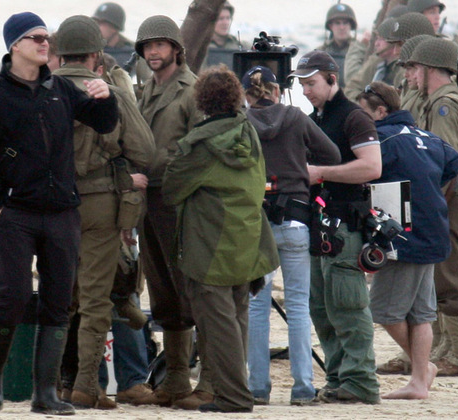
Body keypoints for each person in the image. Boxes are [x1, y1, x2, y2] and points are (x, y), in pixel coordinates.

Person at [0, 11, 118, 415]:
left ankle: (45, 393)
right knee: (13, 295)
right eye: (35, 37)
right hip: (16, 211)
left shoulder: (61, 89)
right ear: (15, 45)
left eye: (46, 37)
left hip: (63, 211)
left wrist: (108, 95)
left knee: (58, 301)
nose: (44, 43)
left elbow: (104, 123)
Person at [162, 64, 279, 413]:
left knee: (219, 325)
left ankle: (234, 397)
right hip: (247, 239)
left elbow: (171, 189)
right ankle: (236, 392)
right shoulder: (248, 131)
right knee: (237, 319)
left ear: (201, 100)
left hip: (210, 245)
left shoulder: (200, 144)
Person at [51, 15, 154, 409]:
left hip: (52, 204)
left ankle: (56, 383)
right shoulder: (109, 92)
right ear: (97, 54)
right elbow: (144, 150)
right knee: (96, 299)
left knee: (60, 296)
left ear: (59, 53)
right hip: (99, 204)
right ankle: (85, 386)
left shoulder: (42, 91)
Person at [356, 81, 458, 399]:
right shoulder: (427, 137)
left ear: (380, 111)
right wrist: (427, 185)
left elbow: (365, 170)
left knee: (383, 311)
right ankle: (418, 380)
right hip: (433, 230)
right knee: (420, 314)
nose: (361, 122)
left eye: (364, 114)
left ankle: (423, 369)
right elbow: (455, 162)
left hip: (403, 235)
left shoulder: (382, 139)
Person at [243, 66, 340, 406]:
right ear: (276, 91)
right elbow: (332, 155)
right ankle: (302, 388)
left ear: (247, 96)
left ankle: (258, 387)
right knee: (298, 306)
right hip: (297, 219)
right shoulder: (296, 117)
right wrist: (301, 162)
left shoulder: (242, 122)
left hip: (257, 224)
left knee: (257, 307)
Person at [289, 50, 382, 405]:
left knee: (348, 306)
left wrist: (321, 173)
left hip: (345, 225)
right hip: (317, 224)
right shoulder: (314, 118)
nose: (306, 91)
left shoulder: (354, 117)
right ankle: (339, 378)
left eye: (311, 83)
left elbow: (372, 167)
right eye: (301, 84)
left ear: (332, 79)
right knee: (321, 308)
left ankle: (360, 383)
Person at [134, 15, 213, 410]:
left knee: (193, 291)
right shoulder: (145, 90)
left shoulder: (192, 90)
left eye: (160, 44)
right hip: (148, 201)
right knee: (162, 291)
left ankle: (210, 381)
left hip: (180, 202)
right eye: (147, 46)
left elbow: (202, 147)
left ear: (176, 49)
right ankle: (177, 378)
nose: (153, 52)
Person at [407, 36, 458, 376]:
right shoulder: (440, 101)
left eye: (416, 68)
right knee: (444, 272)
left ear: (429, 69)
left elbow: (445, 160)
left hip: (452, 197)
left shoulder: (444, 106)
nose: (411, 75)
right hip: (454, 196)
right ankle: (444, 348)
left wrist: (432, 202)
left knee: (450, 276)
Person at [344, 12, 435, 100]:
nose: (376, 44)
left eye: (381, 39)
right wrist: (366, 105)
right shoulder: (376, 62)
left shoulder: (404, 72)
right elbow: (352, 86)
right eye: (377, 39)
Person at [317, 3, 362, 88]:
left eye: (345, 23)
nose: (342, 27)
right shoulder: (320, 53)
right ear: (330, 26)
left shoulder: (360, 51)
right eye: (337, 23)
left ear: (351, 26)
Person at [202, 2, 244, 69]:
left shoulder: (239, 45)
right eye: (221, 18)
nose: (225, 23)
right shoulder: (202, 47)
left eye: (228, 18)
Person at [92, 2, 134, 69]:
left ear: (115, 27)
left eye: (101, 23)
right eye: (95, 22)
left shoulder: (132, 54)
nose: (96, 26)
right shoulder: (89, 49)